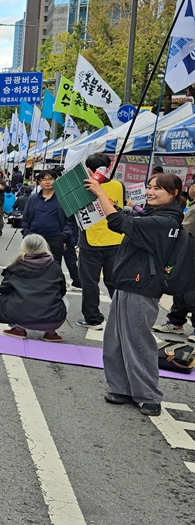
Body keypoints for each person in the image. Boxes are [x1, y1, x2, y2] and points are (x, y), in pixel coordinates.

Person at [86, 172, 187, 417]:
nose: (150, 191)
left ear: (173, 194)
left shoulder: (166, 222)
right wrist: (106, 197)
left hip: (142, 287)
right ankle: (121, 387)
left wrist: (100, 194)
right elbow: (122, 217)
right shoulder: (155, 215)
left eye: (158, 189)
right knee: (115, 340)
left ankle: (149, 396)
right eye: (149, 186)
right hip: (127, 283)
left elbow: (120, 223)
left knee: (138, 342)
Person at [77, 153, 124, 329]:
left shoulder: (84, 186)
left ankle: (92, 318)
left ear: (88, 169)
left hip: (92, 241)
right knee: (115, 282)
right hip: (117, 240)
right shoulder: (119, 185)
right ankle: (121, 316)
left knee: (90, 282)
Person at [0, 234, 67, 342]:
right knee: (63, 299)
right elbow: (62, 291)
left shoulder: (16, 265)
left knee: (1, 295)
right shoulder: (55, 266)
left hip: (21, 318)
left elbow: (4, 288)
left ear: (24, 246)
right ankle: (51, 332)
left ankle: (18, 328)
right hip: (53, 319)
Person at [21, 170, 79, 292]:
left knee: (54, 266)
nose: (47, 182)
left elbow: (70, 219)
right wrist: (27, 233)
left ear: (55, 180)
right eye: (44, 179)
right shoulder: (33, 199)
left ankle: (53, 291)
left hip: (56, 238)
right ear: (39, 182)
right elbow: (25, 218)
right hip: (35, 238)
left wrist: (63, 236)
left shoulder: (62, 199)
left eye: (50, 179)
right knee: (33, 264)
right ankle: (34, 289)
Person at [155, 182, 195, 336]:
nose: (191, 188)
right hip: (186, 253)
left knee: (191, 291)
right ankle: (176, 321)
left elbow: (184, 228)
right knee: (181, 287)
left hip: (190, 253)